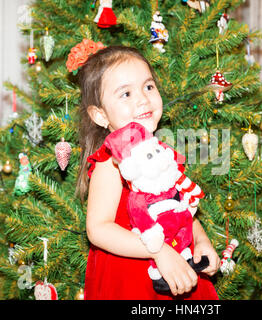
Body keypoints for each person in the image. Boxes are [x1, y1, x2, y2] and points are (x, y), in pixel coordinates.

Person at [73, 42, 220, 300]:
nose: (143, 98)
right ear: (100, 115)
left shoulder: (161, 154)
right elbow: (98, 229)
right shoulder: (111, 163)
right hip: (129, 278)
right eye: (126, 94)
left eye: (148, 86)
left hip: (177, 263)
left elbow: (180, 208)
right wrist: (158, 251)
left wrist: (201, 241)